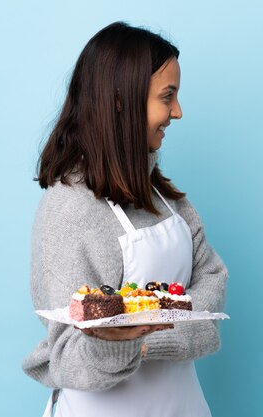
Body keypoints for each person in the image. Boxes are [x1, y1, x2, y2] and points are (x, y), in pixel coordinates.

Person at [21, 21, 229, 417]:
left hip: (183, 406)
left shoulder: (163, 197)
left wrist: (144, 339)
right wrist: (118, 341)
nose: (178, 112)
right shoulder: (70, 211)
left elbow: (213, 280)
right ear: (121, 101)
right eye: (167, 97)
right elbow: (70, 356)